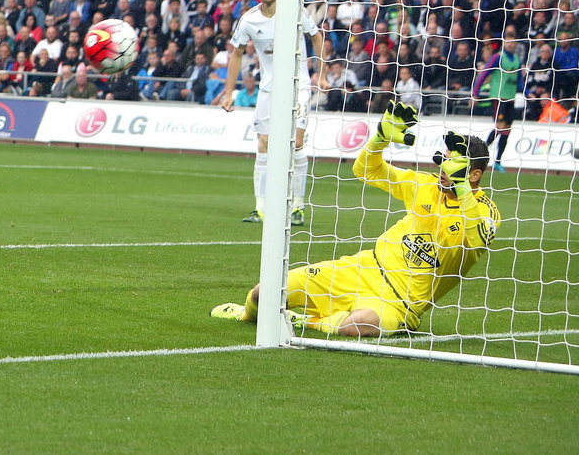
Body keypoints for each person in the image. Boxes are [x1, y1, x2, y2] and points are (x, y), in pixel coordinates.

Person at [212, 102, 500, 337]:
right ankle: (245, 314)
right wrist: (380, 138)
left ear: (474, 174)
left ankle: (304, 321)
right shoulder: (423, 184)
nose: (441, 169)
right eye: (442, 160)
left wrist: (461, 188)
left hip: (399, 301)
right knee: (265, 292)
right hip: (361, 268)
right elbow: (365, 170)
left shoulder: (485, 210)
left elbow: (474, 241)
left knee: (356, 325)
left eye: (451, 165)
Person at [219, 0, 323, 225]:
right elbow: (236, 53)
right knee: (263, 145)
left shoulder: (294, 11)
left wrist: (320, 73)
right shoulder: (249, 19)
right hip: (268, 89)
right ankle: (261, 208)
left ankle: (298, 206)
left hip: (297, 86)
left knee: (296, 143)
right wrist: (229, 92)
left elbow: (316, 37)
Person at [473, 33, 524, 173]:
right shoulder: (498, 57)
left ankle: (498, 161)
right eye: (508, 42)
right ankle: (479, 153)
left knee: (507, 131)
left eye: (513, 42)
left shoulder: (517, 60)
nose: (510, 44)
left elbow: (519, 79)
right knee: (500, 127)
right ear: (504, 43)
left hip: (510, 98)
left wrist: (525, 91)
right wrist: (475, 93)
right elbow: (484, 73)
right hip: (498, 97)